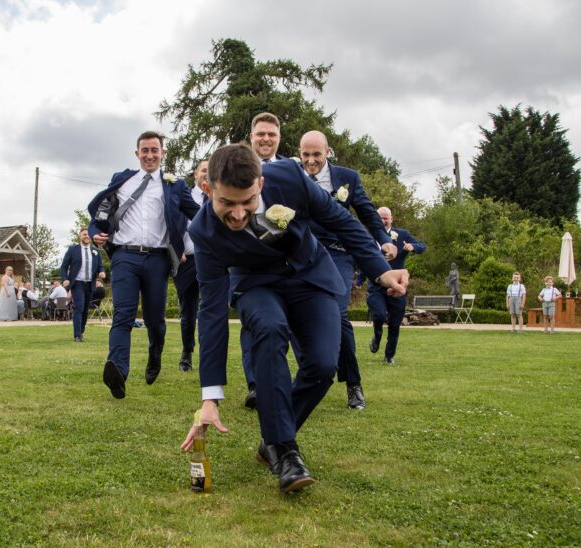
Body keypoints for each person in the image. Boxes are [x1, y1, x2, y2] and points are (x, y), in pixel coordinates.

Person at [180, 144, 409, 494]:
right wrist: (210, 397)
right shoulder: (203, 232)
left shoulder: (288, 177)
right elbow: (210, 311)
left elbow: (341, 221)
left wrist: (381, 271)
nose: (239, 215)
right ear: (209, 189)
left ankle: (270, 440)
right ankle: (285, 449)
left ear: (261, 182)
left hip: (309, 275)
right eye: (227, 203)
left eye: (248, 202)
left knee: (321, 365)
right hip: (256, 284)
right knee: (270, 329)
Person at [88, 130, 200, 399]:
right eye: (145, 150)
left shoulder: (175, 185)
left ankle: (155, 356)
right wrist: (94, 232)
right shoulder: (122, 180)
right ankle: (118, 371)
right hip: (125, 256)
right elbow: (100, 214)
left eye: (154, 150)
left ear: (162, 153)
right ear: (137, 154)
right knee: (123, 315)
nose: (150, 155)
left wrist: (225, 217)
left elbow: (198, 214)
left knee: (155, 321)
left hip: (158, 259)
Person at [299, 130, 396, 411]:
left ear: (328, 152)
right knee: (300, 316)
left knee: (338, 314)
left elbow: (366, 213)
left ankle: (353, 383)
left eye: (316, 154)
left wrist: (385, 239)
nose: (311, 160)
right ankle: (310, 378)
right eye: (306, 154)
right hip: (304, 253)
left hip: (339, 254)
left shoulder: (347, 178)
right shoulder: (293, 173)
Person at [241, 112, 289, 408]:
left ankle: (279, 381)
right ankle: (256, 385)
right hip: (246, 260)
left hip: (285, 260)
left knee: (281, 325)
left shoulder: (290, 170)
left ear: (279, 138)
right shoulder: (237, 166)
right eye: (261, 134)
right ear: (252, 136)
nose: (266, 139)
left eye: (271, 134)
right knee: (253, 325)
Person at [367, 207, 426, 364]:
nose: (383, 220)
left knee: (395, 323)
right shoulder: (370, 235)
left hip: (398, 286)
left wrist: (413, 247)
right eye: (380, 217)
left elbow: (422, 246)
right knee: (378, 315)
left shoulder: (403, 235)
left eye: (386, 218)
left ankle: (389, 356)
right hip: (376, 284)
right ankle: (377, 335)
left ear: (391, 219)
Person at [174, 159, 209, 372]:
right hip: (186, 259)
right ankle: (187, 352)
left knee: (211, 309)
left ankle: (210, 354)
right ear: (196, 174)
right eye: (203, 170)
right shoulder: (182, 196)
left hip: (211, 260)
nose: (206, 173)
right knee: (188, 311)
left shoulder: (219, 196)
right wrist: (176, 248)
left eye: (210, 170)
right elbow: (171, 223)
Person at [60, 227, 106, 342]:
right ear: (80, 236)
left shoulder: (95, 251)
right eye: (84, 234)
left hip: (90, 284)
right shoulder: (73, 250)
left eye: (88, 234)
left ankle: (81, 330)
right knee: (78, 307)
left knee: (85, 309)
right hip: (77, 283)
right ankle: (77, 335)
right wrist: (65, 279)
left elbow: (100, 265)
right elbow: (64, 266)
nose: (86, 236)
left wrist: (101, 272)